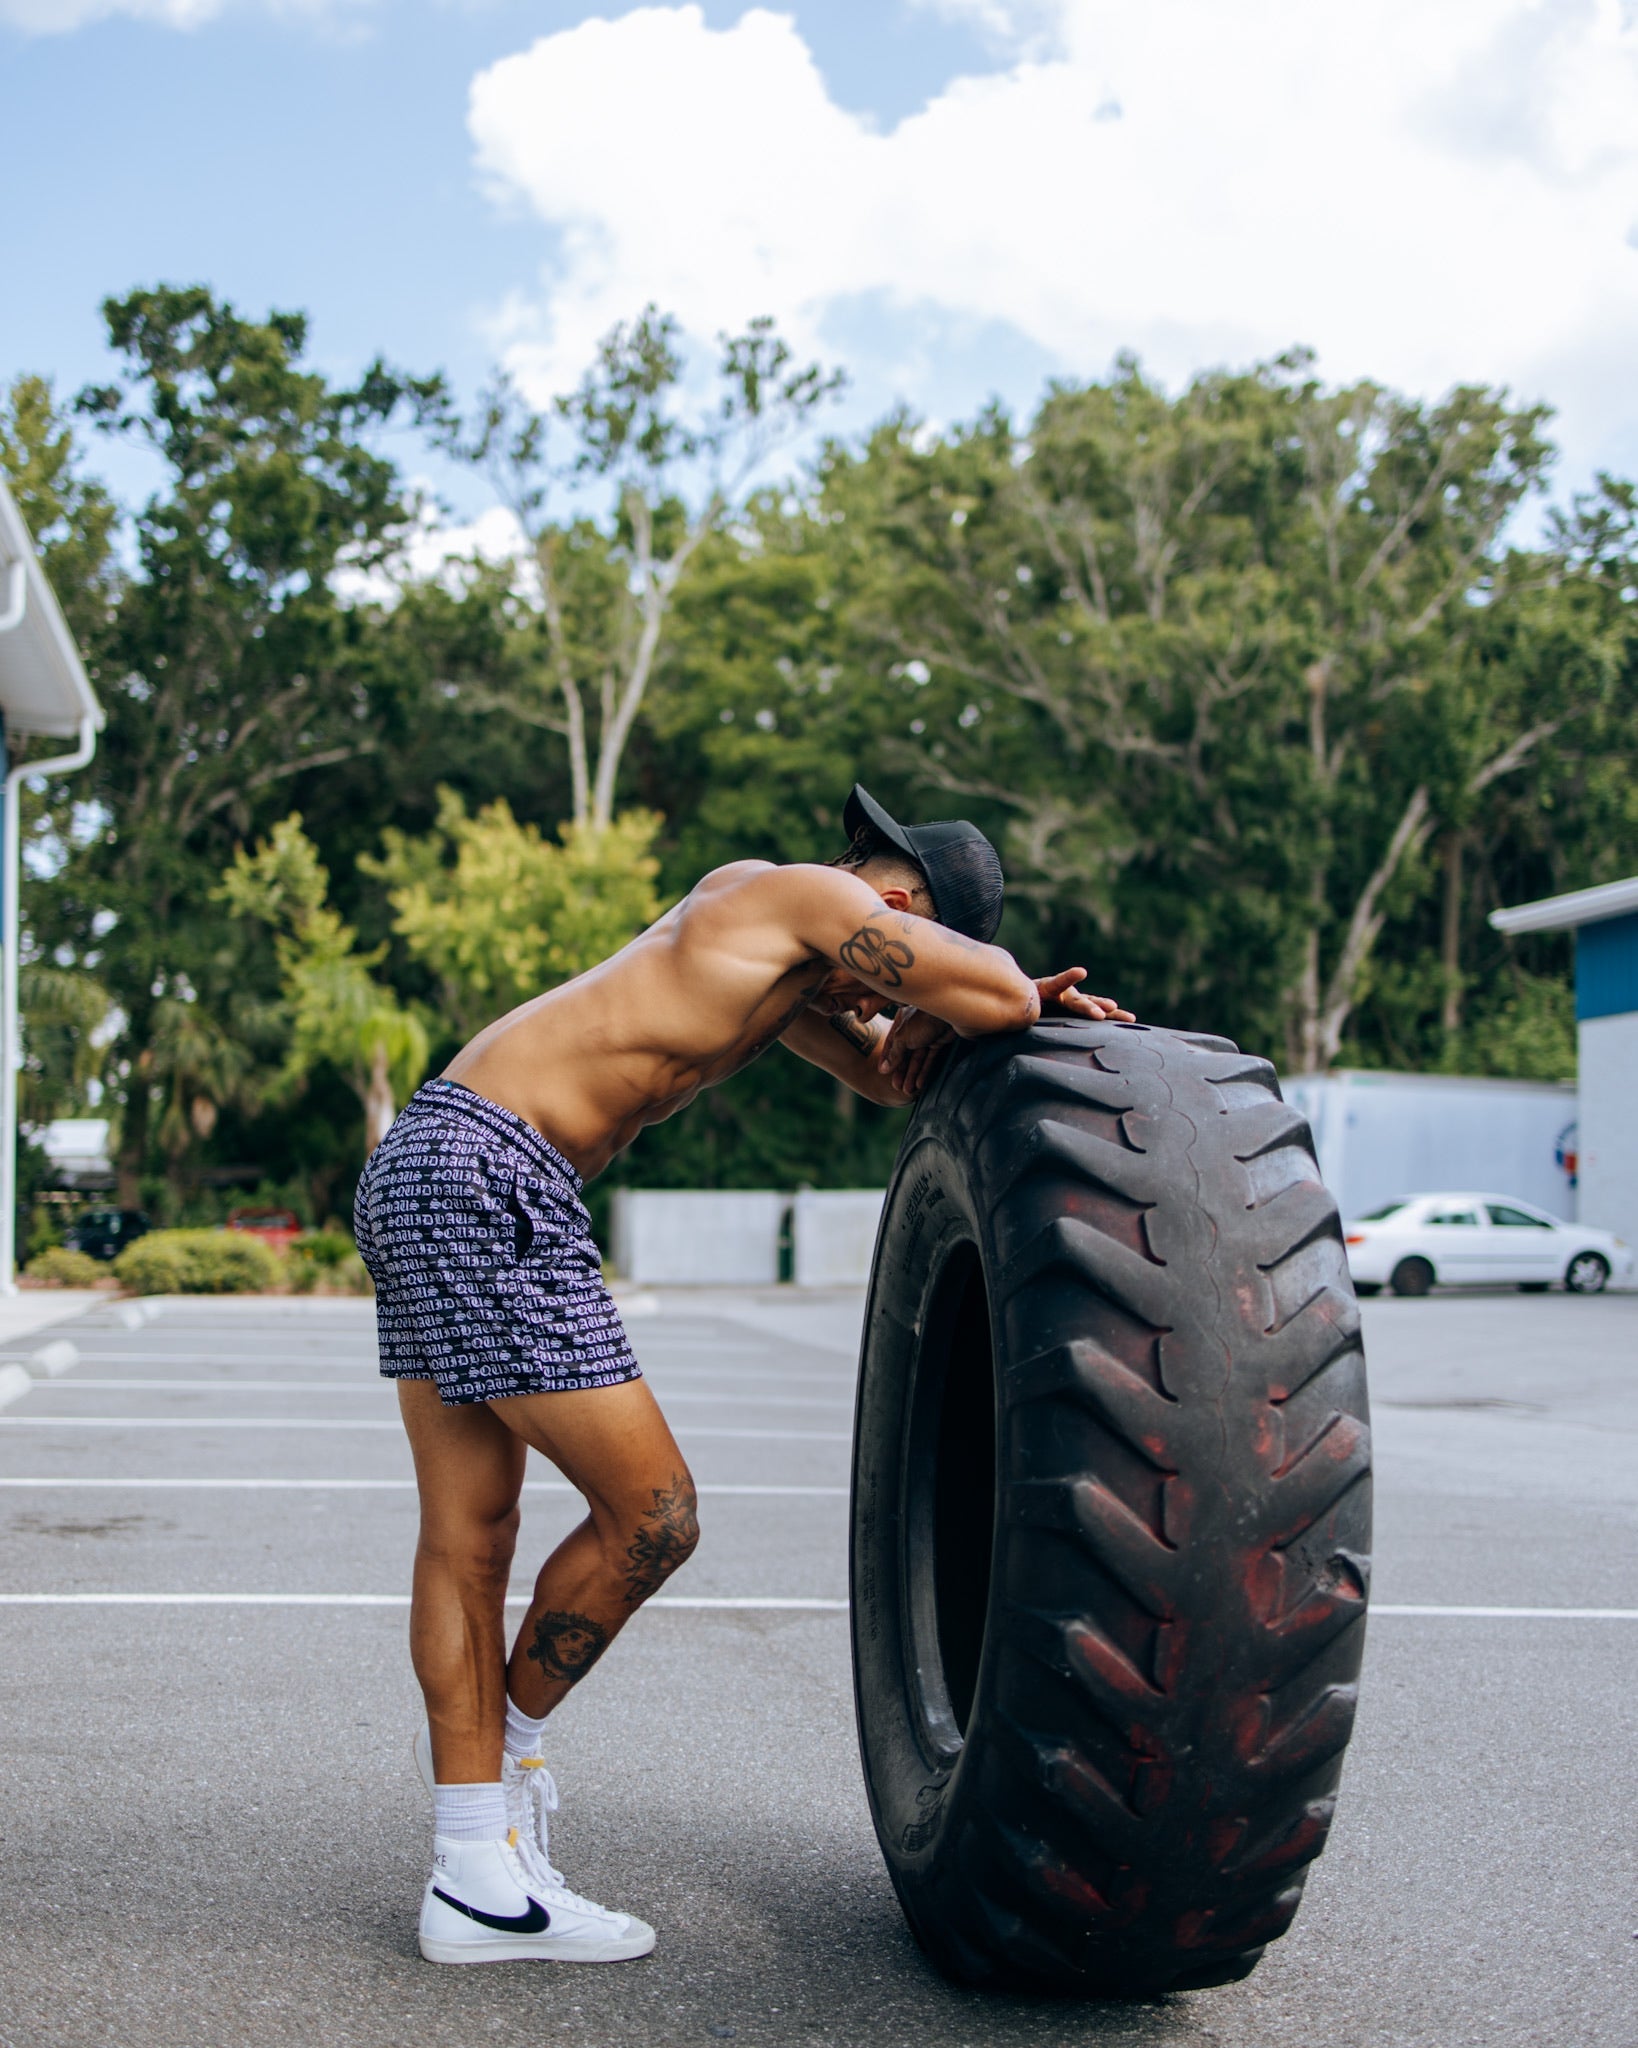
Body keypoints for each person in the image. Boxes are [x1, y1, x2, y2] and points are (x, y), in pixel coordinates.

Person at [353, 782, 1133, 1966]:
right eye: (900, 950)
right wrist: (1011, 995)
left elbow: (885, 1072)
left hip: (436, 1157)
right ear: (897, 896)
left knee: (472, 1536)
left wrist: (929, 1022)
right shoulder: (804, 896)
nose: (878, 994)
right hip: (487, 1174)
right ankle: (501, 1767)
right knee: (654, 1514)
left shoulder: (774, 953)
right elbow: (983, 988)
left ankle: (472, 1866)